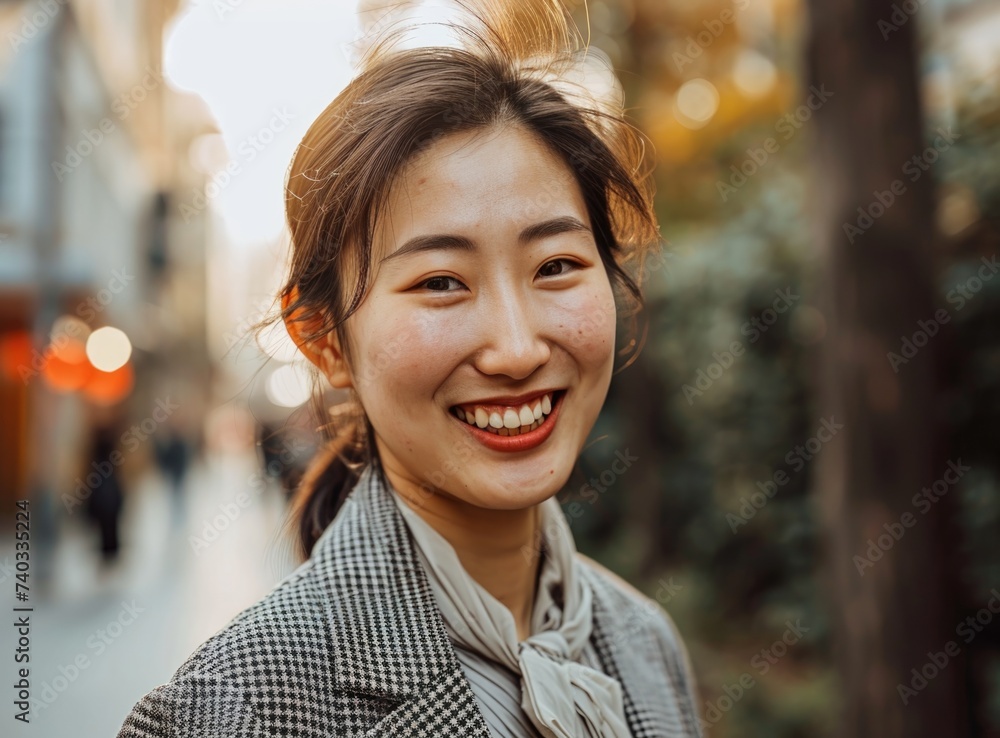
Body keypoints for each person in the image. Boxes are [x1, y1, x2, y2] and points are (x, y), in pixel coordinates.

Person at [117, 1, 702, 735]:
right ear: (321, 336)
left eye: (556, 265)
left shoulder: (646, 644)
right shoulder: (233, 710)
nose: (517, 350)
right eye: (440, 282)